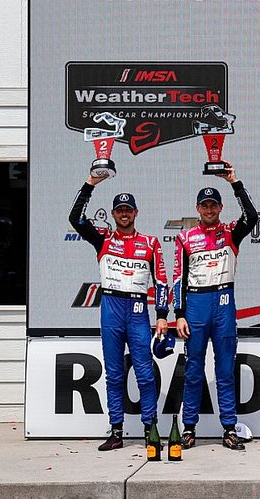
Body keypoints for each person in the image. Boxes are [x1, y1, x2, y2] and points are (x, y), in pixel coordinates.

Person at [69, 175, 169, 451]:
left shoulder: (150, 243)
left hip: (138, 312)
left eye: (128, 210)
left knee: (146, 375)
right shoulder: (102, 238)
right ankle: (116, 432)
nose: (124, 214)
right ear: (113, 214)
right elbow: (75, 218)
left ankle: (150, 429)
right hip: (111, 309)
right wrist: (90, 184)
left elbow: (161, 280)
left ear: (135, 213)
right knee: (113, 375)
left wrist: (162, 314)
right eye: (119, 210)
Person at [172, 163, 256, 451]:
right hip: (195, 304)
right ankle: (189, 428)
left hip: (223, 302)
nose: (209, 210)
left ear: (220, 208)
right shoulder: (185, 238)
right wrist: (178, 314)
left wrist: (234, 182)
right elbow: (177, 278)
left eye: (213, 206)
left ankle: (229, 428)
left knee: (224, 369)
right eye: (204, 206)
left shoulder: (232, 232)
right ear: (198, 209)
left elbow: (252, 216)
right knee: (193, 370)